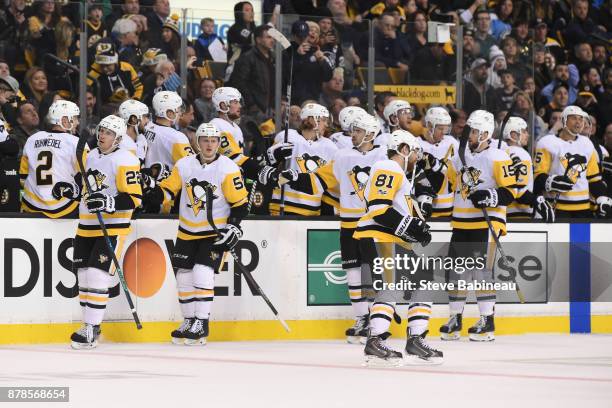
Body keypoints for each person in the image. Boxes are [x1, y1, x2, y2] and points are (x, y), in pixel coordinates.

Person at [281, 112, 385, 343]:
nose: (352, 134)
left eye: (357, 131)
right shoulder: (342, 156)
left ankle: (377, 320)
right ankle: (362, 319)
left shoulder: (384, 156)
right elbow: (317, 181)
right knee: (352, 272)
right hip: (348, 224)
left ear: (369, 133)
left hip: (373, 224)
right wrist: (289, 177)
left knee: (372, 273)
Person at [147, 123, 248, 345]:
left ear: (219, 143)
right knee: (184, 277)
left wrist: (234, 227)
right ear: (197, 142)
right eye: (205, 140)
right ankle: (189, 320)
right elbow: (167, 191)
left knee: (202, 273)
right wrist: (151, 188)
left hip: (214, 233)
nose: (210, 145)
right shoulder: (184, 165)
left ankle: (202, 322)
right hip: (187, 231)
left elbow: (241, 203)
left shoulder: (228, 168)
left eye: (214, 140)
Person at [353, 130, 440, 365]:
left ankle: (415, 339)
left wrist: (416, 228)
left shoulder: (396, 172)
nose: (416, 157)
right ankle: (375, 340)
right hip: (380, 236)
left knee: (424, 278)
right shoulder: (388, 167)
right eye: (414, 151)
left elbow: (395, 211)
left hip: (390, 237)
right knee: (390, 287)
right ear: (403, 149)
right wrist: (412, 226)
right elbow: (379, 208)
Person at [439, 110, 520, 342]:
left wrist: (488, 196)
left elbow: (509, 192)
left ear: (485, 133)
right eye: (469, 130)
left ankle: (487, 320)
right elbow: (450, 182)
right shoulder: (460, 155)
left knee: (481, 272)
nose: (470, 134)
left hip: (486, 223)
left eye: (474, 131)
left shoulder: (498, 156)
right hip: (461, 221)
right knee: (455, 271)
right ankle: (455, 317)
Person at [66, 115, 142, 349]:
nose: (102, 135)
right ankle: (90, 325)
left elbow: (134, 198)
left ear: (118, 138)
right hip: (86, 224)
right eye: (101, 131)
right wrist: (69, 190)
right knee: (84, 276)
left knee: (98, 275)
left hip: (113, 226)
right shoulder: (91, 157)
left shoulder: (126, 160)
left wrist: (109, 203)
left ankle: (91, 328)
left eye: (108, 133)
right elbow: (86, 188)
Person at [534, 105, 612, 218]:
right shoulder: (547, 143)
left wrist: (602, 197)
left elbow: (594, 179)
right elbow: (537, 176)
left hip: (583, 209)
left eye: (581, 119)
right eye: (574, 118)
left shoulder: (587, 144)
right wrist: (550, 182)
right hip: (556, 207)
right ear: (564, 120)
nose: (579, 122)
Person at [268, 103, 337, 216]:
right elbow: (271, 165)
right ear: (310, 120)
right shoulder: (287, 136)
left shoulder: (330, 147)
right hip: (284, 206)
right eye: (323, 120)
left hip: (313, 210)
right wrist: (278, 156)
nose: (326, 124)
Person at [210, 87, 291, 182]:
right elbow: (235, 159)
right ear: (223, 106)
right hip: (219, 182)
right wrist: (270, 157)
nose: (240, 106)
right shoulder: (216, 126)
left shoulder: (235, 127)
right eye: (235, 102)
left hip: (233, 181)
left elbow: (242, 162)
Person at [19, 100, 84, 218]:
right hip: (65, 208)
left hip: (31, 206)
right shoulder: (76, 143)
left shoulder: (32, 139)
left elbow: (23, 177)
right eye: (74, 118)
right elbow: (87, 179)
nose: (77, 122)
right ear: (64, 120)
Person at [503, 117, 554, 222]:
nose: (528, 135)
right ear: (513, 134)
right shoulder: (521, 154)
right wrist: (536, 201)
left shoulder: (500, 152)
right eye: (524, 131)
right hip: (520, 212)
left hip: (503, 211)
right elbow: (519, 190)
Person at [143, 91, 193, 196]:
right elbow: (192, 167)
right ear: (169, 113)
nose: (180, 114)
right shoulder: (177, 137)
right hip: (165, 192)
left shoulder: (146, 127)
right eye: (178, 110)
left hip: (144, 185)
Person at [417, 107, 459, 218]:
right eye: (440, 129)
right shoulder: (416, 144)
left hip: (449, 210)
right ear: (430, 126)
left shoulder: (452, 143)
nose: (443, 133)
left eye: (446, 129)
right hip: (423, 208)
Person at [229, 25, 275, 123]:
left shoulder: (274, 59)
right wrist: (251, 104)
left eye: (273, 37)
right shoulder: (247, 58)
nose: (272, 40)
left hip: (270, 108)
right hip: (254, 110)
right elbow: (239, 82)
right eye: (268, 37)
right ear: (258, 40)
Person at [282, 20, 334, 107]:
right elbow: (286, 75)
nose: (313, 33)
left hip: (313, 99)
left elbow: (327, 77)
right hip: (292, 100)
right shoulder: (288, 51)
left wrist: (322, 61)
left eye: (316, 31)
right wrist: (298, 56)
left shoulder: (317, 52)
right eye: (310, 30)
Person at [118, 99, 149, 164]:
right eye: (144, 117)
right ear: (134, 119)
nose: (147, 121)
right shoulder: (122, 144)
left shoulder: (141, 138)